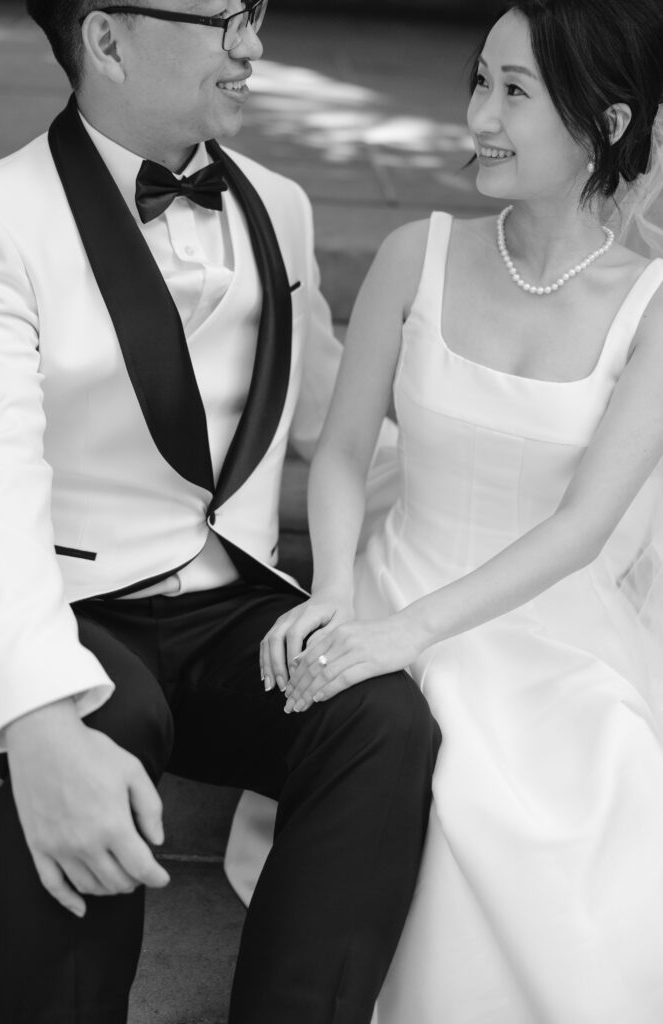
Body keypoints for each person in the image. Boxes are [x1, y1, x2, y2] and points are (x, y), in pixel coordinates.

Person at [0, 2, 440, 1022]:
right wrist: (34, 718)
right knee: (102, 721)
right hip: (72, 601)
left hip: (230, 603)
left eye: (257, 14)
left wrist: (492, 484)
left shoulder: (279, 203)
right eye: (222, 20)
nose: (254, 47)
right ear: (105, 39)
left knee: (380, 716)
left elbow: (324, 413)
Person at [234, 0, 663, 1020]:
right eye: (478, 79)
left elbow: (582, 526)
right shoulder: (412, 252)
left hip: (548, 623)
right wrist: (338, 591)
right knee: (396, 758)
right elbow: (339, 454)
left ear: (603, 126)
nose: (477, 114)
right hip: (393, 572)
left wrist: (408, 635)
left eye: (512, 91)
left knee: (576, 796)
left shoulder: (650, 304)